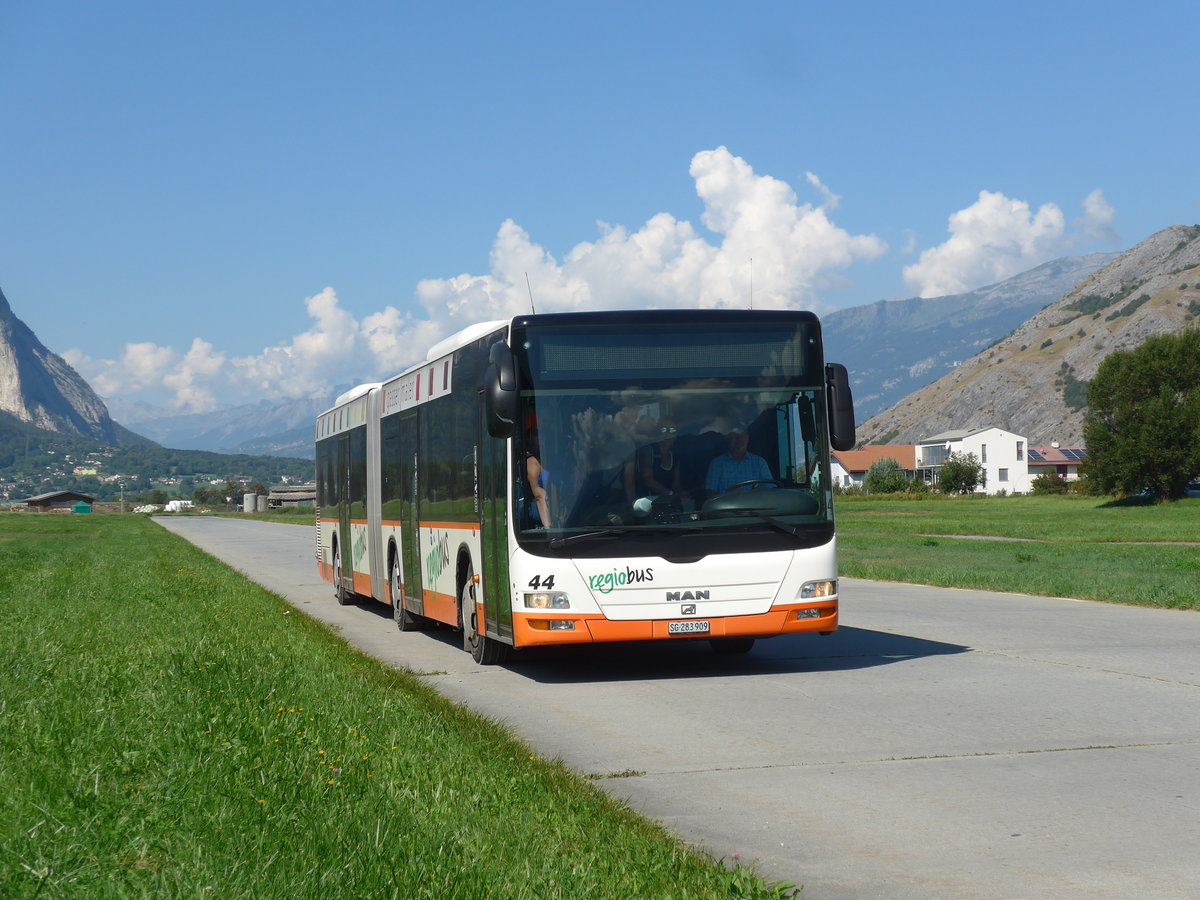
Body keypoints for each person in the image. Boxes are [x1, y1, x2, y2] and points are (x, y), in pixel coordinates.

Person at [705, 424, 772, 495]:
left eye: (742, 435)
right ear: (728, 440)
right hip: (727, 505)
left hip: (755, 505)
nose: (739, 439)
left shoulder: (760, 462)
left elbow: (770, 490)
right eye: (734, 436)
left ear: (748, 439)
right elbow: (710, 493)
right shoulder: (716, 464)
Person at [525, 427, 552, 527]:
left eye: (544, 434)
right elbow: (539, 495)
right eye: (537, 434)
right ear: (529, 439)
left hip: (549, 508)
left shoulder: (545, 458)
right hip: (536, 513)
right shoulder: (532, 462)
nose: (542, 438)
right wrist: (549, 529)